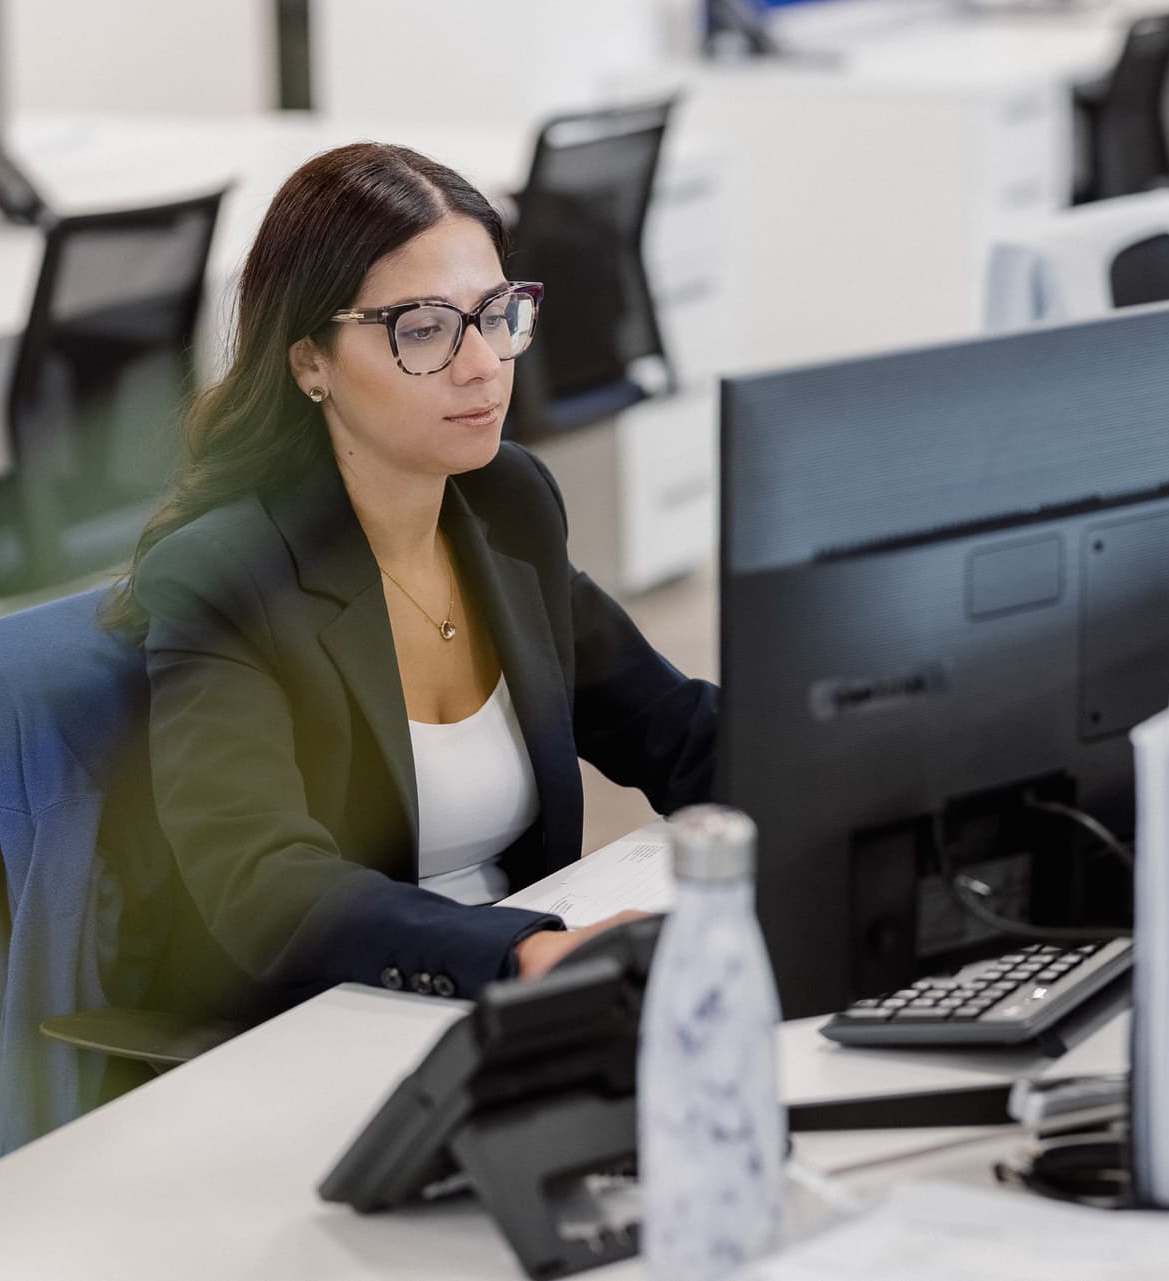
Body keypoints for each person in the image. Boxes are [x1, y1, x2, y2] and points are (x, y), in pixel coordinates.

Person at [101, 142, 716, 1023]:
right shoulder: (226, 576)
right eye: (423, 329)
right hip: (329, 1022)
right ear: (309, 360)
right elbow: (264, 882)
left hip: (511, 1007)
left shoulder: (507, 501)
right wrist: (526, 952)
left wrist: (863, 787)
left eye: (496, 313)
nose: (484, 365)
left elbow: (672, 727)